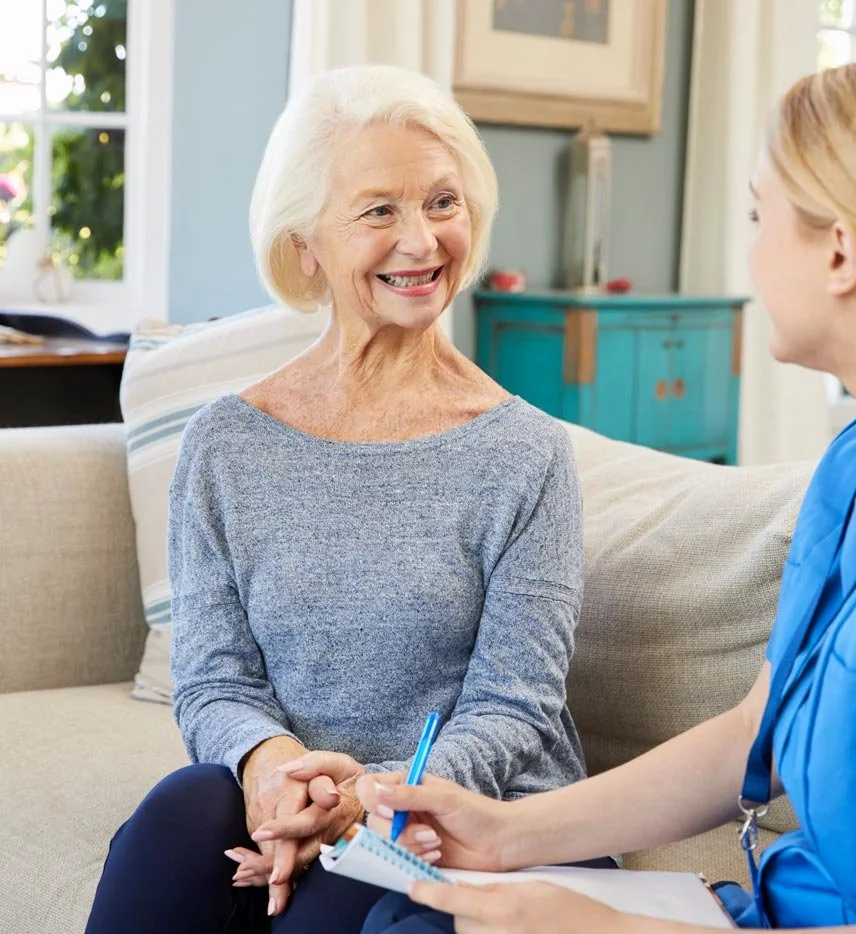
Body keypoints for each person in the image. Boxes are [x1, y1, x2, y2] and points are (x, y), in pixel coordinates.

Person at [269, 49, 856, 934]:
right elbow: (754, 731)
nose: (748, 257)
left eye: (760, 217)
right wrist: (503, 831)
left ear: (841, 255)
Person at [85, 64, 589, 934]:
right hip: (289, 795)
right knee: (174, 822)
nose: (422, 241)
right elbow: (213, 678)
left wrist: (363, 799)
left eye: (442, 202)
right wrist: (277, 775)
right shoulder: (225, 447)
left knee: (330, 907)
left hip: (455, 806)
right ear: (304, 245)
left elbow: (516, 709)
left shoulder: (525, 454)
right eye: (378, 210)